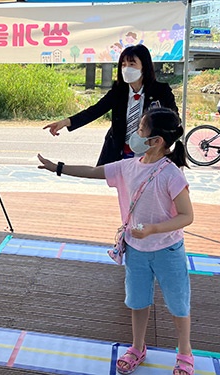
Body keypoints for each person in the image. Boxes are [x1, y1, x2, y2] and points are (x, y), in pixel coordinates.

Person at [38, 107, 195, 375]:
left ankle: (184, 351)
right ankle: (137, 347)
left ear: (156, 141)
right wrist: (58, 168)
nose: (135, 134)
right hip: (136, 250)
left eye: (141, 130)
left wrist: (154, 228)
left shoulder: (171, 174)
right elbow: (92, 171)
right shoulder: (128, 167)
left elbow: (187, 216)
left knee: (178, 303)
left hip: (168, 250)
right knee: (137, 301)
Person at [43, 44, 179, 166]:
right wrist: (65, 122)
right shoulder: (119, 91)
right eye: (123, 64)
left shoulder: (161, 91)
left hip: (150, 153)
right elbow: (95, 110)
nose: (126, 68)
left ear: (144, 66)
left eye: (132, 64)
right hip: (120, 151)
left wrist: (165, 144)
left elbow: (174, 120)